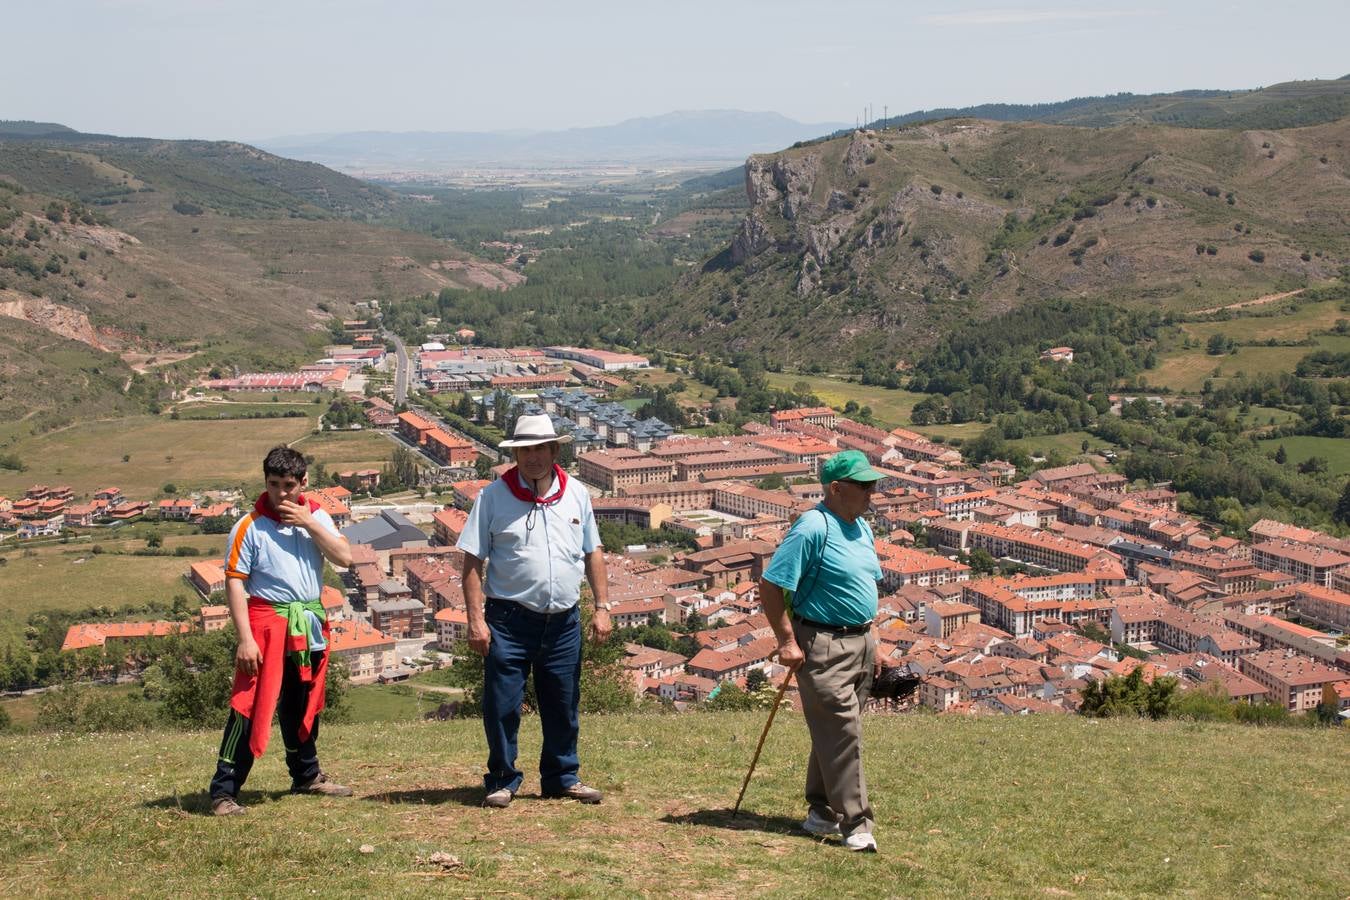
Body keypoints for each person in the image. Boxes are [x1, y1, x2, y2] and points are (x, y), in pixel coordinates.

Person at [457, 414, 612, 808]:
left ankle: (562, 777)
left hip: (564, 621)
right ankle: (503, 779)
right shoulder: (492, 498)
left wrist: (603, 607)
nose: (532, 457)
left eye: (540, 448)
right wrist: (476, 620)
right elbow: (472, 562)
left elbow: (593, 551)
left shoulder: (576, 493)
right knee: (502, 704)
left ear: (555, 450)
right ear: (515, 454)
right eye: (525, 449)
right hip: (509, 621)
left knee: (563, 702)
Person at [207, 445, 355, 816]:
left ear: (304, 482)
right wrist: (244, 638)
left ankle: (306, 775)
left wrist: (307, 523)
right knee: (249, 706)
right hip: (265, 626)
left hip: (307, 624)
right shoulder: (248, 526)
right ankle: (224, 790)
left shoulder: (318, 518)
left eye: (289, 485)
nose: (281, 493)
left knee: (302, 703)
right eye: (274, 484)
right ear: (266, 483)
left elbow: (345, 558)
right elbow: (235, 583)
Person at [759, 449, 885, 852]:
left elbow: (866, 587)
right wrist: (786, 642)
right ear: (836, 488)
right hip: (823, 643)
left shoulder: (861, 527)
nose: (872, 493)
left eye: (873, 484)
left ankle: (820, 812)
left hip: (860, 643)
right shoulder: (812, 527)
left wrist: (875, 643)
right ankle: (856, 823)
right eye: (863, 486)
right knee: (844, 732)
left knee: (832, 733)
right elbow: (772, 584)